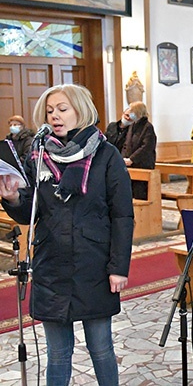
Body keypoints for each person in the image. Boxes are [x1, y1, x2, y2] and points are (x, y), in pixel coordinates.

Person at [0, 84, 133, 385]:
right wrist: (12, 199)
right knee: (58, 353)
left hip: (95, 265)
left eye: (62, 109)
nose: (55, 116)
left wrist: (118, 268)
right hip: (52, 266)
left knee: (101, 349)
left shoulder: (106, 155)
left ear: (80, 109)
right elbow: (30, 214)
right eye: (50, 111)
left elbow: (123, 216)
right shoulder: (39, 153)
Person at [121, 101, 157, 199]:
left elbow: (146, 147)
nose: (130, 114)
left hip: (142, 165)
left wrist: (132, 159)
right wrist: (122, 158)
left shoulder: (148, 127)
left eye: (132, 111)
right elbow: (126, 144)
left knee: (140, 194)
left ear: (138, 112)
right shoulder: (132, 125)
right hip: (130, 166)